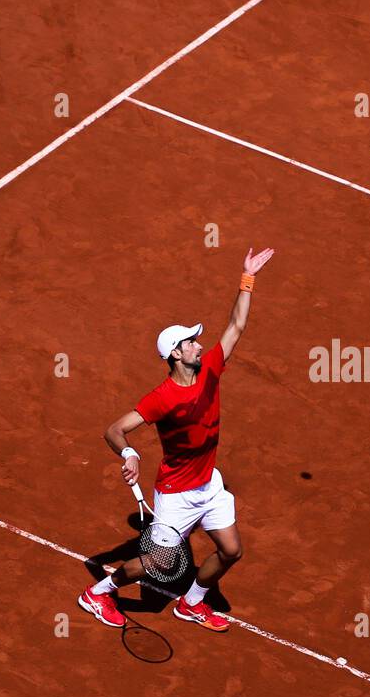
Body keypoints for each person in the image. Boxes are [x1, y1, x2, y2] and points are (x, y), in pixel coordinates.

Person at [78, 247, 275, 633]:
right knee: (157, 565)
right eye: (191, 342)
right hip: (177, 494)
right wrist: (130, 453)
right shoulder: (162, 398)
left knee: (231, 550)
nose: (200, 345)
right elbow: (113, 430)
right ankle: (98, 593)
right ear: (176, 353)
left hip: (208, 485)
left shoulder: (211, 369)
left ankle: (191, 603)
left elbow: (236, 327)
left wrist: (247, 278)